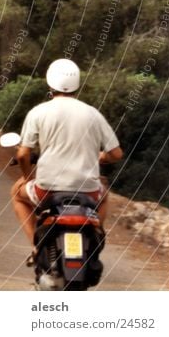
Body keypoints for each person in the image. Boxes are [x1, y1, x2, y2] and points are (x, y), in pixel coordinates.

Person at [10, 59, 124, 247]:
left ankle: (36, 248)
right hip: (88, 190)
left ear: (49, 83)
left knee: (16, 193)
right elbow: (116, 154)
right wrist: (101, 157)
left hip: (47, 189)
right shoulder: (93, 114)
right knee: (103, 197)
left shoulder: (38, 112)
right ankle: (95, 233)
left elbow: (22, 155)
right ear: (77, 85)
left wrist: (27, 177)